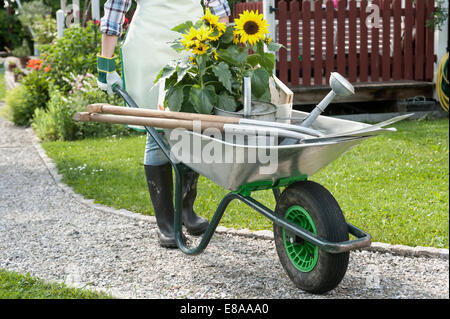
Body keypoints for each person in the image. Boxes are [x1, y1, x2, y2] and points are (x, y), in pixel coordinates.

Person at [97, 0, 231, 248]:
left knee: (191, 128)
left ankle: (186, 210)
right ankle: (166, 222)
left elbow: (220, 9)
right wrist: (105, 63)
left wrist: (217, 50)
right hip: (150, 49)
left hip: (192, 45)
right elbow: (116, 8)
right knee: (157, 131)